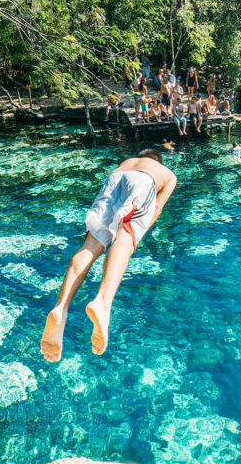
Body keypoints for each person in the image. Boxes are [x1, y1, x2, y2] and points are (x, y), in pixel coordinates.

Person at [40, 150, 177, 361]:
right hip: (142, 183)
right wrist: (136, 235)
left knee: (91, 244)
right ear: (158, 161)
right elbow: (157, 207)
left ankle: (61, 308)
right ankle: (103, 303)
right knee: (124, 238)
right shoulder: (166, 173)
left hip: (113, 179)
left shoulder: (128, 160)